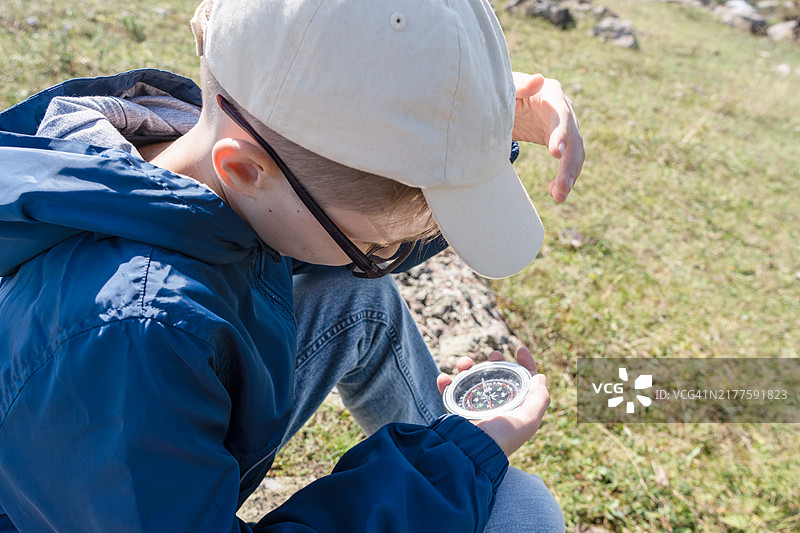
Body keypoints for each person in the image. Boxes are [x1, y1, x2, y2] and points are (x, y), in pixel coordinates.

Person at [0, 0, 583, 531]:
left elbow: (352, 187)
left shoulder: (198, 169)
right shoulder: (133, 337)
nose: (384, 260)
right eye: (372, 250)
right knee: (521, 513)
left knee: (356, 300)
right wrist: (446, 470)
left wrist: (470, 123)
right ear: (246, 170)